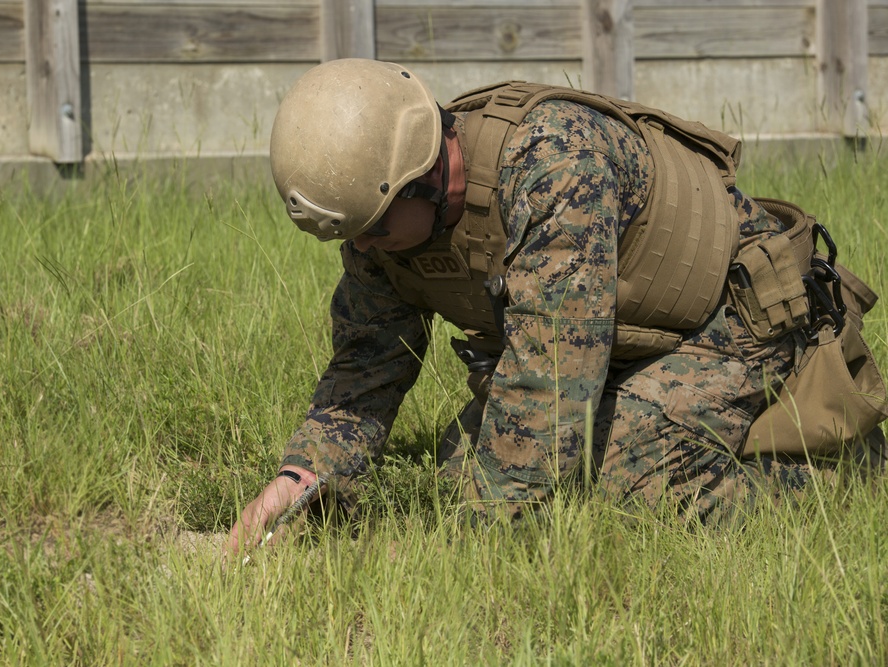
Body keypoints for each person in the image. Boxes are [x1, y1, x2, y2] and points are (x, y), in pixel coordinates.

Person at [226, 58, 886, 555]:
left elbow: (551, 375)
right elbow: (368, 359)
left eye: (371, 226)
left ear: (421, 177)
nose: (363, 248)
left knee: (630, 477)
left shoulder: (552, 160)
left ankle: (848, 484)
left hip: (740, 313)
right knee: (460, 472)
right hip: (626, 333)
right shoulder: (384, 219)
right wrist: (305, 475)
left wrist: (474, 552)